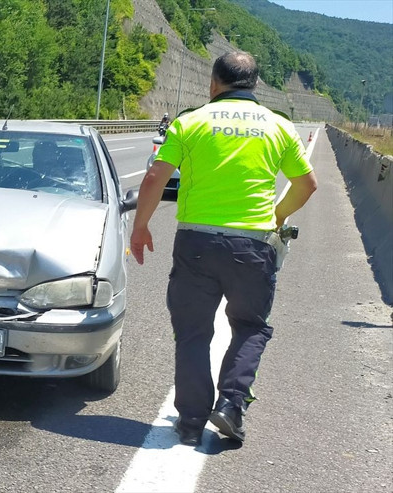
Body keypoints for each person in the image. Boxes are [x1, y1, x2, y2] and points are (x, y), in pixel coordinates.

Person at [129, 51, 317, 447]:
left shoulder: (190, 122)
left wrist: (140, 226)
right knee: (250, 327)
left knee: (194, 332)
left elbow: (155, 176)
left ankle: (192, 420)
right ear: (254, 84)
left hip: (196, 242)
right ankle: (231, 405)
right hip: (253, 245)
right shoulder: (279, 126)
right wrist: (277, 216)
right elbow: (306, 185)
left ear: (214, 84)